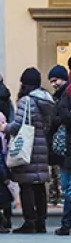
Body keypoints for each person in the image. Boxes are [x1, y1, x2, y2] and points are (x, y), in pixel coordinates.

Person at [0, 67, 53, 234]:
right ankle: (41, 222)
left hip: (28, 147)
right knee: (39, 186)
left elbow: (18, 126)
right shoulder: (47, 99)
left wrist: (4, 127)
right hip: (41, 145)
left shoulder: (27, 101)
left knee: (26, 185)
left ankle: (29, 221)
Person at [49, 66, 71, 236]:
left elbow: (62, 117)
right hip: (66, 148)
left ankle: (66, 224)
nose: (53, 84)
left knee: (68, 187)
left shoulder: (65, 94)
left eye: (55, 80)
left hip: (67, 148)